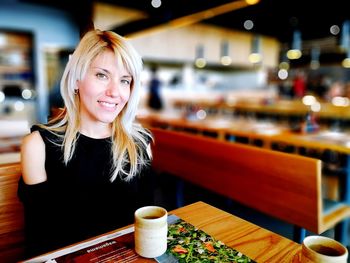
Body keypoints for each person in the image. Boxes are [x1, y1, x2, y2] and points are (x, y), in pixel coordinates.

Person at [17, 29, 154, 258]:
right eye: (102, 75)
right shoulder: (38, 146)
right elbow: (40, 242)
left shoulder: (140, 144)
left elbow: (148, 226)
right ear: (76, 79)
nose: (114, 92)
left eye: (124, 81)